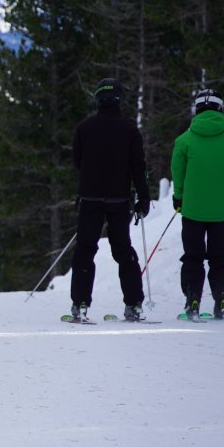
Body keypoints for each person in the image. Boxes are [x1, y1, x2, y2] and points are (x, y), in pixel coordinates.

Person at [67, 78, 150, 322]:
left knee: (85, 251)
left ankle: (80, 304)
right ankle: (134, 305)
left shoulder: (84, 127)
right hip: (118, 199)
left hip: (90, 198)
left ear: (98, 99)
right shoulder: (129, 130)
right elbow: (138, 166)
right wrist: (143, 197)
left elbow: (77, 162)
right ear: (118, 99)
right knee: (123, 251)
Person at [171, 89, 224, 320]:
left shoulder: (184, 140)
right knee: (219, 258)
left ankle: (193, 298)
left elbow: (178, 172)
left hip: (192, 210)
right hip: (220, 212)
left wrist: (179, 196)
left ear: (197, 110)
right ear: (220, 109)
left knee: (193, 257)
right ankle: (222, 298)